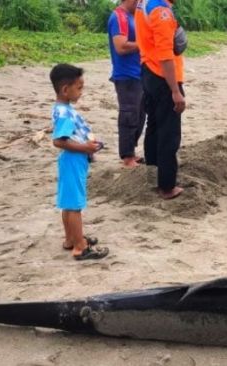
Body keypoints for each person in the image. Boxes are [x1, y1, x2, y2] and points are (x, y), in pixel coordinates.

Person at [50, 64, 109, 261]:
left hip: (72, 160)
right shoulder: (65, 113)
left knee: (68, 203)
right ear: (65, 89)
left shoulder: (62, 108)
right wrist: (86, 148)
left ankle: (70, 239)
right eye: (79, 87)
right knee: (75, 204)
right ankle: (80, 247)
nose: (82, 92)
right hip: (74, 159)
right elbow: (59, 140)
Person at [136, 0, 185, 199]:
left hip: (148, 70)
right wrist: (175, 91)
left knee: (154, 124)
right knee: (169, 132)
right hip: (162, 75)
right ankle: (167, 186)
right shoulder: (161, 10)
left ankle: (152, 169)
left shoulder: (144, 3)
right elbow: (165, 55)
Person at [108, 0, 145, 168]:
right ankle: (127, 156)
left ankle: (131, 151)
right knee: (129, 115)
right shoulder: (119, 16)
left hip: (139, 73)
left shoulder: (133, 16)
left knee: (140, 115)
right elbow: (121, 46)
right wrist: (145, 44)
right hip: (126, 75)